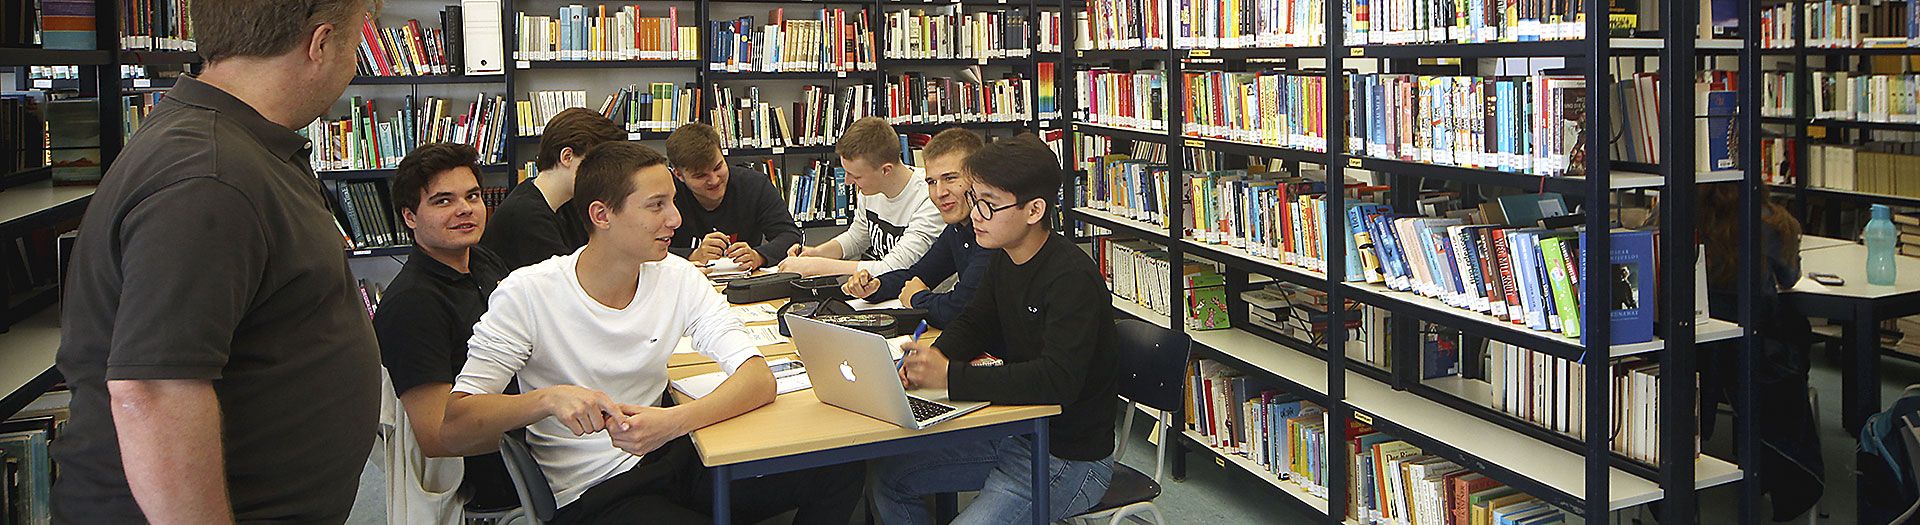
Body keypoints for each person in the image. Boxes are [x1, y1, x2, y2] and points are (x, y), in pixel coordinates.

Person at [51, 0, 380, 522]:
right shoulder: (209, 174)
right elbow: (153, 391)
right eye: (357, 43)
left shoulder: (243, 147)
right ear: (320, 44)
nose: (355, 64)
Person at [440, 142, 863, 524]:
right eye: (656, 205)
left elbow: (757, 377)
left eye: (673, 202)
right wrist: (547, 399)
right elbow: (457, 423)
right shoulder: (528, 293)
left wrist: (674, 422)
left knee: (839, 467)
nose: (676, 219)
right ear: (602, 215)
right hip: (594, 493)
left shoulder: (679, 278)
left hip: (673, 460)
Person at [875, 135, 1119, 524]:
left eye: (989, 204)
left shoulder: (1071, 277)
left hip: (1068, 457)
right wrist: (936, 356)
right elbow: (975, 321)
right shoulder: (1003, 259)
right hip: (1015, 431)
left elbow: (1057, 380)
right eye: (975, 200)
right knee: (891, 477)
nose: (975, 215)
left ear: (1034, 210)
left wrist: (951, 377)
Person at [372, 143, 517, 510]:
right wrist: (544, 411)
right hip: (495, 474)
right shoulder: (412, 304)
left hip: (530, 435)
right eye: (443, 201)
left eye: (472, 196)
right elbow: (438, 437)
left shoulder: (482, 260)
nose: (465, 209)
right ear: (409, 217)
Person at [1694, 183, 1823, 521]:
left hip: (1698, 360)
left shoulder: (1680, 215)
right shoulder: (1776, 222)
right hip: (1757, 359)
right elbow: (1790, 277)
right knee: (1795, 330)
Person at [842, 128, 990, 328]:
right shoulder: (957, 229)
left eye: (950, 178)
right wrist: (877, 286)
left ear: (979, 177)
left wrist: (917, 298)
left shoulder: (992, 233)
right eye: (931, 182)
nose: (939, 192)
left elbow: (958, 309)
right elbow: (917, 274)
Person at [781, 117, 943, 277]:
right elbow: (857, 238)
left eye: (855, 176)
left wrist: (815, 266)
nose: (847, 181)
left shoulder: (930, 197)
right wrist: (817, 253)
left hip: (921, 295)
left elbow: (895, 267)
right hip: (884, 290)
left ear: (886, 170)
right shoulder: (871, 189)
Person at [481, 107, 626, 270]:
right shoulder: (525, 215)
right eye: (598, 164)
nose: (604, 175)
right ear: (567, 157)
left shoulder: (567, 200)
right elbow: (569, 282)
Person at [663, 122, 802, 270]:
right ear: (679, 175)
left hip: (746, 282)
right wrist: (692, 255)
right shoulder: (665, 195)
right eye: (700, 176)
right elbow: (643, 248)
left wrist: (758, 256)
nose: (714, 180)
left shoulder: (754, 184)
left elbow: (790, 236)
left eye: (718, 167)